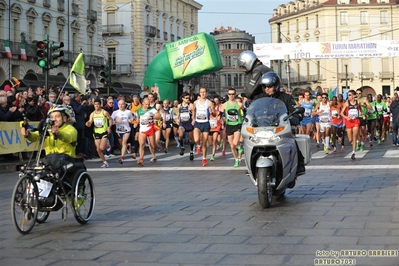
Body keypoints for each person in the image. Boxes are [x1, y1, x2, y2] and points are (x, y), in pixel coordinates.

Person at [252, 72, 306, 176]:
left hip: (279, 129)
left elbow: (293, 109)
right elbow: (251, 111)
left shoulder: (285, 98)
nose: (267, 89)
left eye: (270, 86)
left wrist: (296, 117)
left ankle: (299, 164)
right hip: (262, 129)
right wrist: (246, 119)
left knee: (292, 141)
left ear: (276, 85)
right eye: (265, 86)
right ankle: (250, 163)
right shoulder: (258, 98)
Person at [219, 88, 244, 167]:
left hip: (238, 124)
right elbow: (221, 114)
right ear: (228, 95)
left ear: (235, 95)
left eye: (233, 94)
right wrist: (220, 119)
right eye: (230, 94)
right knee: (232, 146)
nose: (231, 96)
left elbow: (244, 112)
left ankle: (239, 146)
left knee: (235, 142)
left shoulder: (239, 104)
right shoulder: (225, 105)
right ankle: (236, 159)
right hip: (229, 125)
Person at [85, 99, 113, 168]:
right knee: (98, 149)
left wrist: (109, 127)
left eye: (98, 104)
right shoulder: (92, 114)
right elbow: (90, 122)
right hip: (96, 132)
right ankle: (104, 162)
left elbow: (111, 119)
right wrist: (88, 123)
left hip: (104, 132)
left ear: (100, 105)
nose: (96, 106)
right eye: (95, 104)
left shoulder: (104, 112)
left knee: (102, 147)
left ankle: (107, 144)